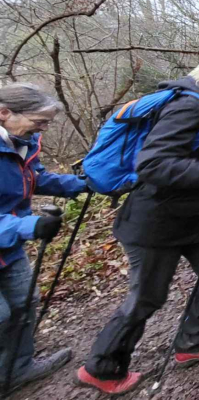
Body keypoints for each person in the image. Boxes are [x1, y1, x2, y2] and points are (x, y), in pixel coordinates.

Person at [77, 50, 199, 395]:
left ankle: (192, 342)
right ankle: (101, 367)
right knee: (146, 298)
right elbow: (153, 165)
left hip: (192, 216)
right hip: (154, 222)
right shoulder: (187, 105)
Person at [0, 83, 87, 394]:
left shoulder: (22, 141)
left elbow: (35, 178)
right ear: (4, 113)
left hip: (7, 250)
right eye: (39, 122)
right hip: (10, 236)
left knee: (24, 304)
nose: (44, 129)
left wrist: (82, 184)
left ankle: (18, 368)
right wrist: (28, 227)